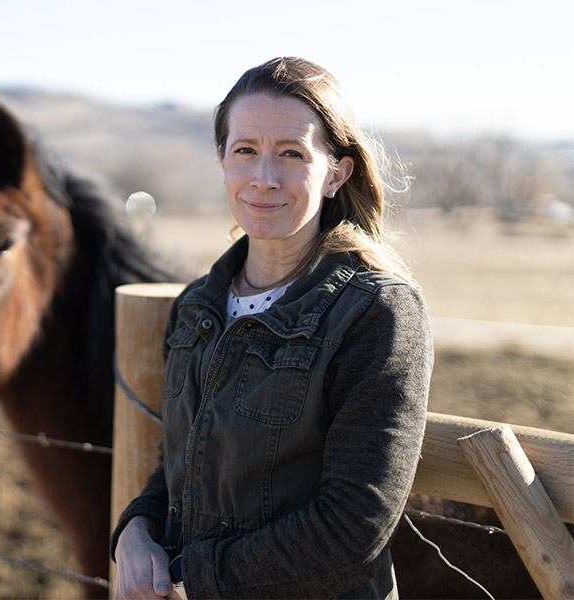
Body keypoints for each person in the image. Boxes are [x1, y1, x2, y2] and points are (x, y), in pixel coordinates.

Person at [110, 57, 433, 599]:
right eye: (245, 151)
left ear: (336, 172)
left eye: (291, 154)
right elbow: (184, 466)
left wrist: (190, 581)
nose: (263, 178)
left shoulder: (377, 312)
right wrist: (136, 531)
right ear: (222, 159)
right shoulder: (197, 306)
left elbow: (353, 528)